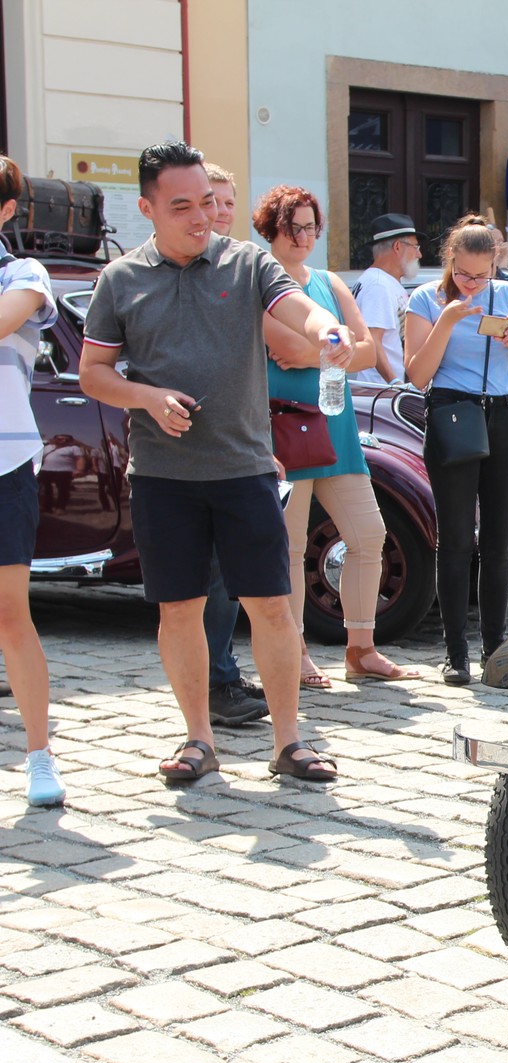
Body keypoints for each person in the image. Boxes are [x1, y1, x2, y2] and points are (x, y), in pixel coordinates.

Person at [78, 141, 354, 784]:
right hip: (162, 477)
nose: (201, 216)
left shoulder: (247, 263)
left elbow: (299, 310)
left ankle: (288, 743)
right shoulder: (120, 280)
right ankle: (199, 740)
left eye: (208, 201)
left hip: (245, 469)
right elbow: (94, 372)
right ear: (148, 208)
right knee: (178, 609)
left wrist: (327, 333)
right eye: (183, 206)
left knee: (271, 607)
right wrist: (145, 397)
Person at [254, 186, 420, 688]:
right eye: (293, 227)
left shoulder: (329, 281)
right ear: (271, 230)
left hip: (336, 423)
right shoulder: (260, 284)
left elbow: (369, 350)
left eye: (310, 226)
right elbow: (281, 344)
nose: (303, 236)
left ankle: (361, 646)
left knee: (369, 534)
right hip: (284, 423)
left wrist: (320, 352)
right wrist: (335, 349)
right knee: (290, 547)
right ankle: (295, 651)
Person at [404, 217, 508, 681]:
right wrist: (447, 319)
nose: (474, 285)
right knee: (456, 538)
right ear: (449, 263)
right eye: (464, 275)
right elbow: (417, 375)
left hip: (504, 413)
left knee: (500, 540)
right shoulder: (424, 299)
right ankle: (455, 652)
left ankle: (495, 648)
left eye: (483, 276)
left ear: (496, 265)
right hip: (453, 412)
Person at [0, 153, 65, 806]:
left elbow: (9, 314)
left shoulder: (22, 272)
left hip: (4, 462)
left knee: (9, 615)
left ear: (7, 209)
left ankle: (40, 756)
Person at [201, 162, 271, 729]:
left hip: (240, 443)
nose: (220, 212)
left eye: (227, 201)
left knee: (228, 578)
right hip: (186, 452)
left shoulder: (247, 267)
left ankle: (221, 672)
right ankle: (215, 681)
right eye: (210, 201)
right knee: (207, 582)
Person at [352, 213, 420, 386]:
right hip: (382, 392)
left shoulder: (383, 281)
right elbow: (372, 339)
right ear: (397, 247)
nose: (419, 254)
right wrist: (394, 382)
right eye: (415, 246)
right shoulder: (378, 285)